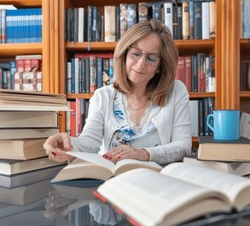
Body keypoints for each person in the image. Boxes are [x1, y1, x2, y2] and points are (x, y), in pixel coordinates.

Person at [44, 19, 192, 164]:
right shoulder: (102, 96)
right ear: (125, 54)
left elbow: (183, 146)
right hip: (114, 179)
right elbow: (89, 142)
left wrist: (144, 154)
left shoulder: (176, 91)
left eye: (151, 58)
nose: (141, 64)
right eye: (136, 54)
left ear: (160, 65)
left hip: (157, 179)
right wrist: (67, 143)